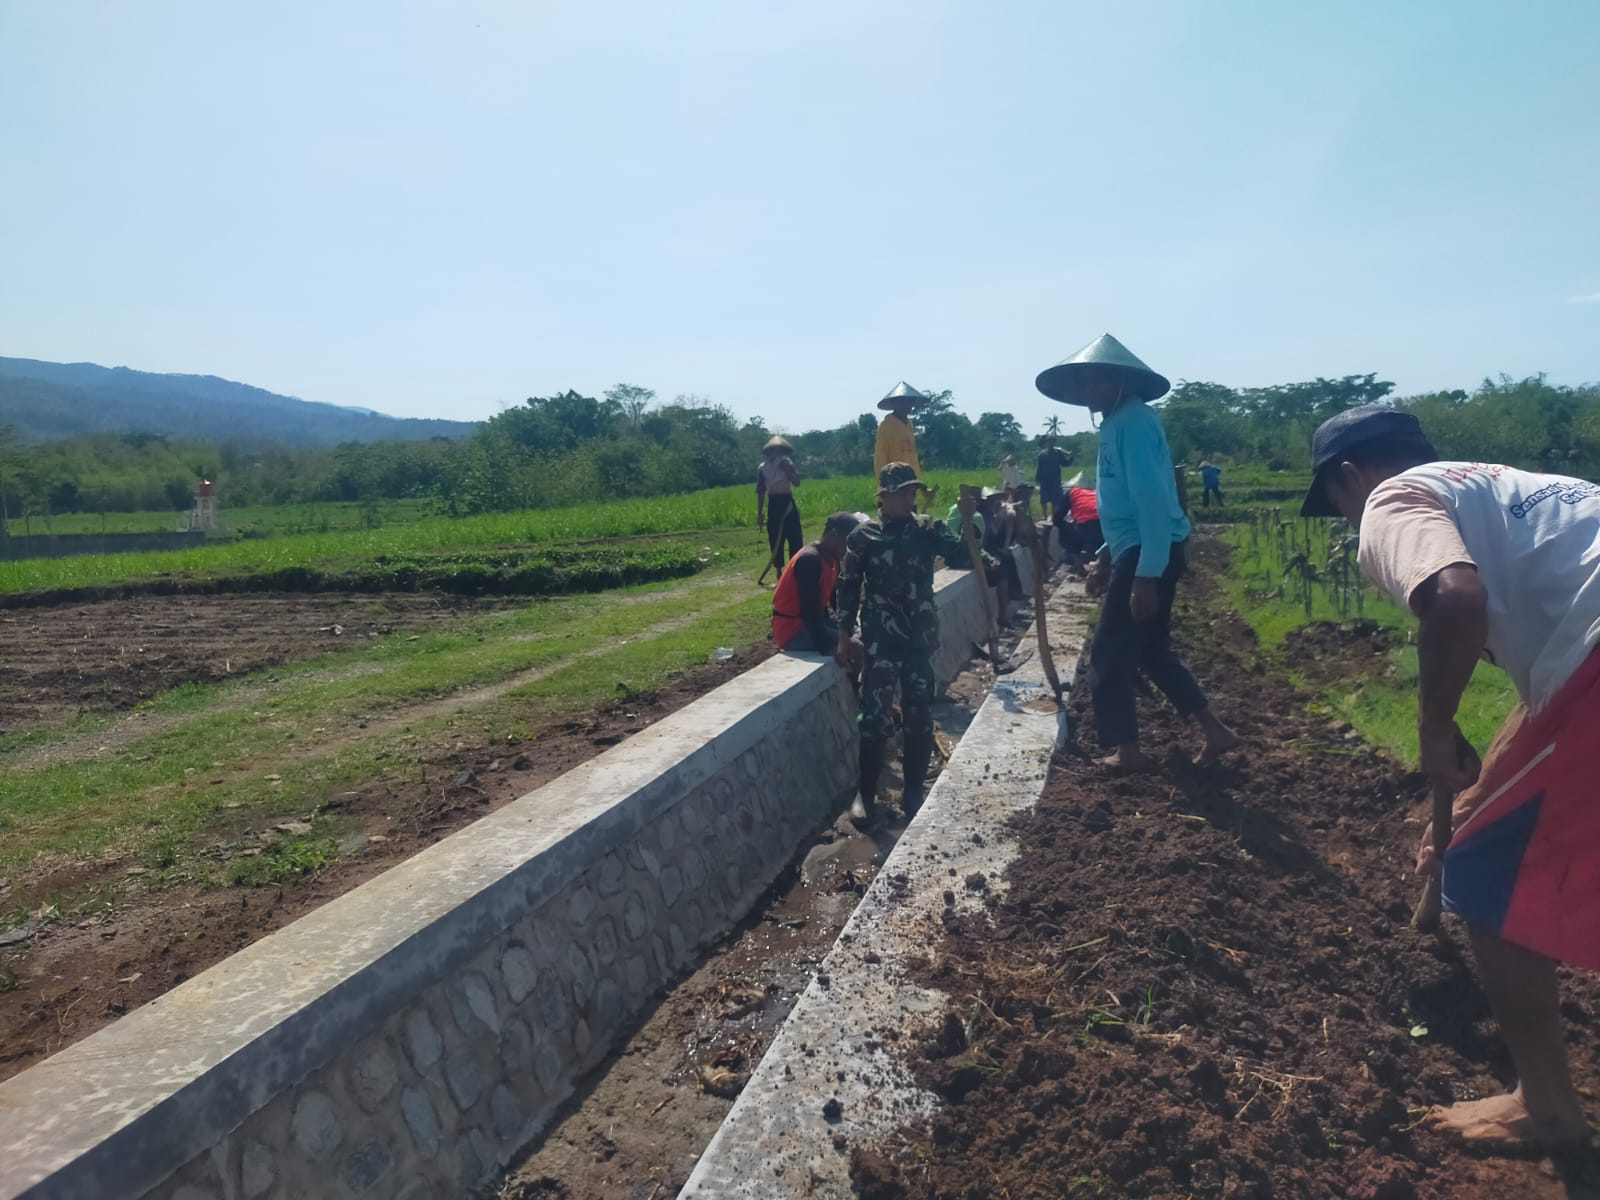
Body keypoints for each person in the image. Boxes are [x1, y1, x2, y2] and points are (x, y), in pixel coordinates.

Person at [1302, 403, 1600, 1150]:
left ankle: (1546, 1108)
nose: (1348, 522)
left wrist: (1435, 727)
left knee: (1487, 868)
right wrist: (1475, 798)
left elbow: (1455, 599)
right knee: (1488, 831)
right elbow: (1547, 705)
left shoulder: (1392, 499)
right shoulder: (1525, 493)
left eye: (1338, 506)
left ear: (1350, 477)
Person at [1034, 333, 1238, 771]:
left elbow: (1151, 500)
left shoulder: (1135, 423)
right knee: (1151, 651)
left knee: (1108, 652)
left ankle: (1125, 749)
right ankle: (1214, 730)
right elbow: (1124, 504)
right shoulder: (1114, 424)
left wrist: (1145, 573)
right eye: (1084, 383)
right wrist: (1109, 552)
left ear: (1120, 383)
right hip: (1139, 547)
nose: (1089, 391)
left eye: (1097, 382)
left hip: (1151, 549)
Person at [836, 463, 977, 826]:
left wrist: (967, 520)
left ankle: (913, 791)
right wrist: (843, 635)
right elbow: (848, 587)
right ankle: (864, 795)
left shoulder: (929, 529)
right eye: (902, 492)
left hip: (918, 641)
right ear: (884, 497)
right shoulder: (864, 537)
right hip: (881, 643)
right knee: (874, 719)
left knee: (918, 715)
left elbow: (963, 555)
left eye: (912, 491)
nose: (910, 498)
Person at [771, 512, 861, 653]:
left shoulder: (833, 560)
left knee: (864, 635)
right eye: (848, 543)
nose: (849, 549)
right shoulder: (809, 560)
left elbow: (835, 600)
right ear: (833, 535)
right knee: (857, 647)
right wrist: (830, 646)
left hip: (816, 624)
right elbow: (810, 613)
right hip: (794, 630)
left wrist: (848, 625)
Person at [756, 436, 802, 571]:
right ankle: (778, 571)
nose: (777, 453)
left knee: (795, 536)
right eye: (775, 450)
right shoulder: (763, 468)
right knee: (775, 537)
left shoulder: (788, 464)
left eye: (780, 450)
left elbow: (797, 483)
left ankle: (795, 569)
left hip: (787, 501)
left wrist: (787, 471)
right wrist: (759, 513)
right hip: (773, 503)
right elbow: (760, 491)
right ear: (769, 452)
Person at [873, 382, 926, 477]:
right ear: (894, 403)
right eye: (902, 402)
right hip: (895, 481)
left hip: (912, 481)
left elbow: (913, 458)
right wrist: (884, 483)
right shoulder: (886, 426)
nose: (906, 405)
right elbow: (880, 457)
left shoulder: (909, 425)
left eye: (910, 402)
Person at [1036, 438, 1073, 520]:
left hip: (1055, 480)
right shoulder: (1041, 454)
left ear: (1054, 443)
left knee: (1055, 500)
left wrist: (1071, 457)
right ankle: (1045, 516)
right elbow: (1039, 468)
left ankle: (1053, 516)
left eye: (1052, 442)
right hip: (1044, 480)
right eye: (1048, 441)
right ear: (1046, 443)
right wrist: (1037, 479)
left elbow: (1065, 463)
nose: (1050, 443)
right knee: (1044, 499)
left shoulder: (1058, 453)